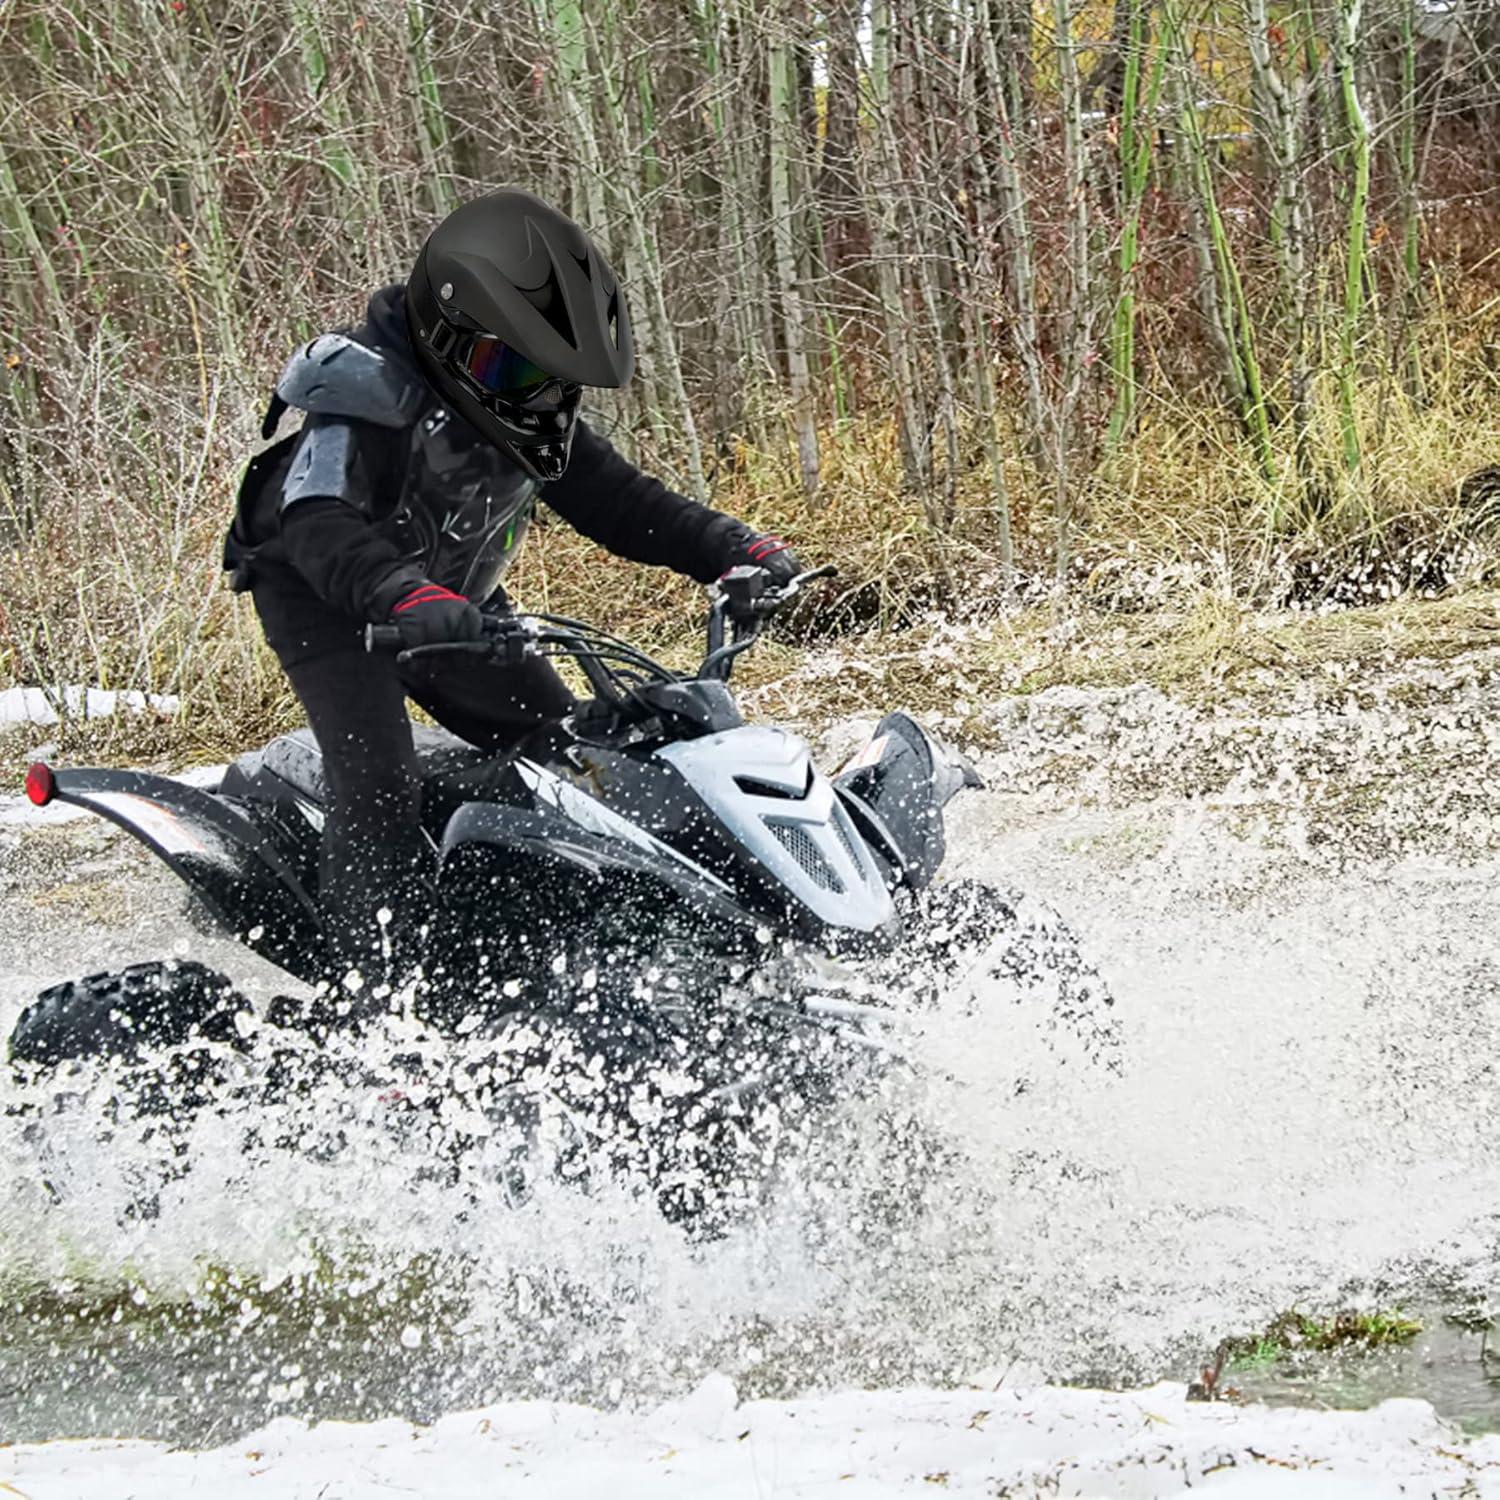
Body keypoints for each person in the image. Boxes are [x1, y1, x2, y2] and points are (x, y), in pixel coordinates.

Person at [224, 188, 801, 991]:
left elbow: (623, 504)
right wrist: (401, 596)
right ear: (450, 332)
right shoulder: (361, 398)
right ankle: (376, 1006)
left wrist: (732, 549)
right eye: (514, 364)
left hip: (451, 600)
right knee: (379, 781)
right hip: (330, 600)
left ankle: (538, 950)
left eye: (549, 373)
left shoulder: (526, 412)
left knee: (567, 755)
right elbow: (317, 521)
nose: (533, 389)